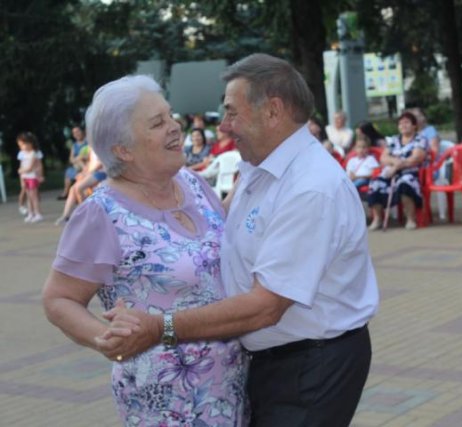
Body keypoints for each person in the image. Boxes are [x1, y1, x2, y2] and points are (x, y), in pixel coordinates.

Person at [95, 53, 379, 427]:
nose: (225, 126)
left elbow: (266, 306)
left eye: (232, 112)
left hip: (311, 366)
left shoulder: (310, 189)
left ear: (273, 111)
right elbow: (217, 232)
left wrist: (158, 326)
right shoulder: (259, 167)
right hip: (275, 361)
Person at [42, 75, 249, 426]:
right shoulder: (101, 214)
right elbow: (57, 299)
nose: (174, 127)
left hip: (235, 387)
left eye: (170, 116)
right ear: (123, 149)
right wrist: (104, 339)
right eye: (157, 123)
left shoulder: (194, 184)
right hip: (165, 402)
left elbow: (213, 246)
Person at [367, 111, 427, 230]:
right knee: (375, 183)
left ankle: (410, 218)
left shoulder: (420, 139)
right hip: (390, 173)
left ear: (414, 125)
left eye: (406, 123)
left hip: (410, 172)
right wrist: (396, 164)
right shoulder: (394, 140)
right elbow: (383, 158)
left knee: (405, 183)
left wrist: (395, 166)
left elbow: (416, 158)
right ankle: (378, 218)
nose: (403, 126)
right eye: (400, 123)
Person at [16, 132, 44, 223]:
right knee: (28, 196)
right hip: (25, 177)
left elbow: (30, 167)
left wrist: (21, 171)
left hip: (32, 177)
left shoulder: (33, 153)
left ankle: (38, 213)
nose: (21, 147)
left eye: (23, 145)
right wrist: (21, 178)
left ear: (29, 144)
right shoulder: (22, 153)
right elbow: (21, 165)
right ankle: (31, 213)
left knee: (34, 196)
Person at [58, 126, 89, 200]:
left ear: (82, 132)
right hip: (77, 165)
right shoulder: (74, 145)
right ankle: (66, 192)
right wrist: (77, 159)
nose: (76, 134)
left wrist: (81, 158)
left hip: (86, 164)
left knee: (80, 163)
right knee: (69, 171)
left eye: (78, 131)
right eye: (74, 133)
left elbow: (89, 155)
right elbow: (71, 158)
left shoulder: (87, 143)